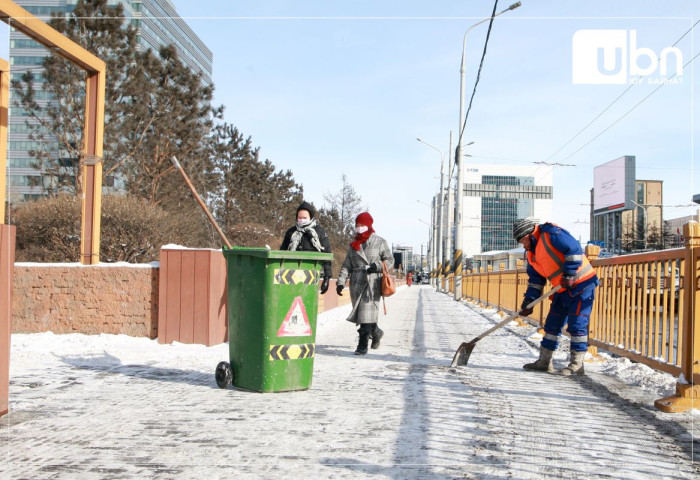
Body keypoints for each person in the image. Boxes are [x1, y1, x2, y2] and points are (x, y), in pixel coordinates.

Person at [513, 217, 598, 376]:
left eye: (523, 240)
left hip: (582, 283)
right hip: (562, 288)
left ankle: (577, 365)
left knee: (577, 323)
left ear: (530, 233)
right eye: (521, 242)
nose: (523, 245)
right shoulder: (531, 255)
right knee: (552, 324)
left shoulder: (551, 234)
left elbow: (573, 248)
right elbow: (535, 281)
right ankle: (544, 362)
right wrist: (529, 301)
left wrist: (569, 273)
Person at [336, 212, 394, 355]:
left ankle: (362, 345)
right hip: (356, 282)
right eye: (357, 225)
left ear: (368, 225)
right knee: (363, 313)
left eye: (362, 225)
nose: (359, 228)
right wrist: (340, 282)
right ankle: (376, 332)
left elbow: (390, 260)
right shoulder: (353, 244)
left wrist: (377, 266)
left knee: (366, 313)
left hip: (372, 282)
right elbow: (346, 265)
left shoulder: (380, 241)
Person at [280, 201, 332, 295]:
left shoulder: (320, 232)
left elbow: (327, 255)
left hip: (311, 276)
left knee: (307, 306)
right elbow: (282, 253)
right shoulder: (291, 232)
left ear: (311, 217)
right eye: (299, 217)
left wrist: (327, 277)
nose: (302, 220)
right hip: (290, 275)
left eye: (304, 218)